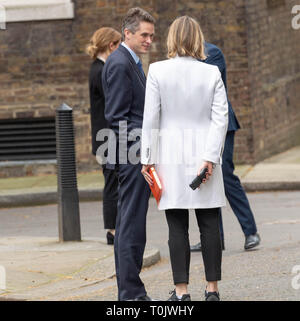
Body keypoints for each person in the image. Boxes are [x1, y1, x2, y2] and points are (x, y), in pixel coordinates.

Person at [141, 16, 228, 301]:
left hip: (171, 156)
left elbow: (151, 119)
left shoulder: (157, 70)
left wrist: (147, 159)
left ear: (172, 39)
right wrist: (210, 158)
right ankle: (212, 290)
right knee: (209, 223)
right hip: (204, 156)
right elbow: (220, 119)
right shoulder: (212, 73)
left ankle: (182, 292)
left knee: (176, 225)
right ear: (198, 39)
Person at [102, 7, 155, 301]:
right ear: (128, 33)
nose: (149, 40)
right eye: (144, 35)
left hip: (134, 154)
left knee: (132, 224)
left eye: (151, 36)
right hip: (131, 156)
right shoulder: (121, 63)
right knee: (130, 225)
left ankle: (131, 291)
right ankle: (131, 294)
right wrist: (139, 154)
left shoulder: (130, 61)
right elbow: (118, 117)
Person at [190, 42, 261, 252]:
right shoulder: (182, 60)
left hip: (222, 125)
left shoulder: (212, 53)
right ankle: (214, 238)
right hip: (199, 127)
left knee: (227, 176)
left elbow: (203, 86)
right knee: (206, 177)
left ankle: (251, 232)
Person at [86, 27, 121, 245]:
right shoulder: (101, 71)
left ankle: (114, 228)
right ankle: (113, 231)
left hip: (103, 137)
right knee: (112, 183)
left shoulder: (98, 68)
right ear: (111, 45)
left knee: (113, 181)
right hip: (106, 138)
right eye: (118, 45)